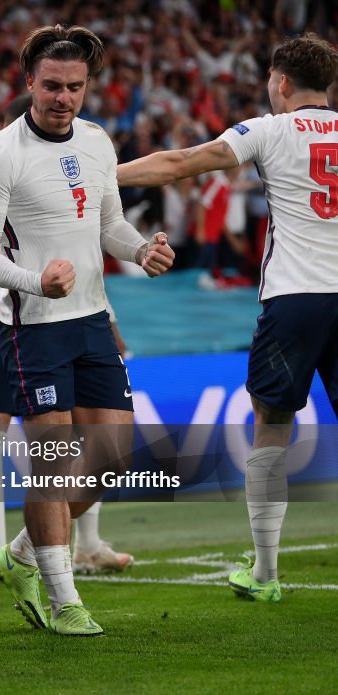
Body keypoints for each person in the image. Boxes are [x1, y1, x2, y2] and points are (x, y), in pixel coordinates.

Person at [0, 25, 175, 636]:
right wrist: (34, 281)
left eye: (75, 87)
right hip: (33, 328)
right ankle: (61, 599)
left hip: (92, 320)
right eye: (52, 86)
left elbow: (108, 224)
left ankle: (21, 554)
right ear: (29, 82)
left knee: (111, 459)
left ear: (88, 87)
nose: (63, 97)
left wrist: (140, 251)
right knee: (54, 467)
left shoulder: (98, 142)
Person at [117, 33, 338, 604]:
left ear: (281, 81)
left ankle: (265, 572)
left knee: (271, 422)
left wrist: (103, 177)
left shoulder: (267, 129)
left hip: (295, 296)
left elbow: (180, 163)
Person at [0, 94, 133, 586]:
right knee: (60, 452)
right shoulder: (1, 159)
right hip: (23, 309)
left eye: (75, 87)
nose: (63, 99)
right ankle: (80, 550)